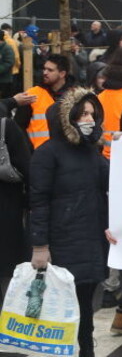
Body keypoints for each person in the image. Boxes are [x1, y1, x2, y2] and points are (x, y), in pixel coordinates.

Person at [28, 88, 109, 357]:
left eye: (92, 114)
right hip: (62, 242)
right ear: (68, 118)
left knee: (85, 307)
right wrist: (40, 245)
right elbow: (37, 202)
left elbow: (115, 182)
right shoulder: (47, 154)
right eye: (83, 113)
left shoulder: (92, 152)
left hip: (90, 239)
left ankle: (86, 350)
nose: (89, 119)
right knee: (59, 309)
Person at [0, 101, 31, 298]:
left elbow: (27, 168)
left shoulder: (6, 126)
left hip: (7, 208)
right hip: (8, 207)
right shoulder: (7, 126)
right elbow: (26, 166)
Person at [17, 54, 75, 150]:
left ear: (62, 74)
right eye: (44, 69)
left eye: (50, 70)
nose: (45, 72)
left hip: (67, 154)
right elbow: (19, 126)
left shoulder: (75, 95)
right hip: (38, 153)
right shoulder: (32, 94)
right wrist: (28, 150)